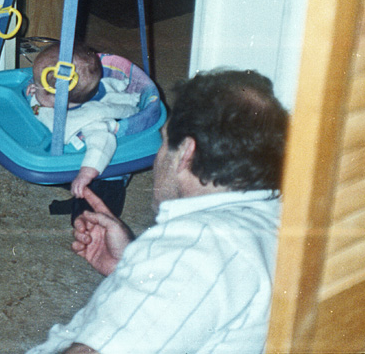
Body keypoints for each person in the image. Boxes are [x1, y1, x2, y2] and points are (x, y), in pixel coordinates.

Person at [28, 69, 289, 354]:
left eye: (164, 141)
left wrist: (163, 265)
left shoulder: (193, 250)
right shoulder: (279, 218)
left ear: (186, 151)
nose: (158, 157)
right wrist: (130, 266)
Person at [27, 43, 140, 217]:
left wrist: (86, 174)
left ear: (58, 97)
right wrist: (36, 93)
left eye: (38, 85)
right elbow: (43, 104)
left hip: (104, 174)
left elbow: (103, 143)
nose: (34, 88)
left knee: (88, 220)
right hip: (77, 157)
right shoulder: (58, 98)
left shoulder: (91, 118)